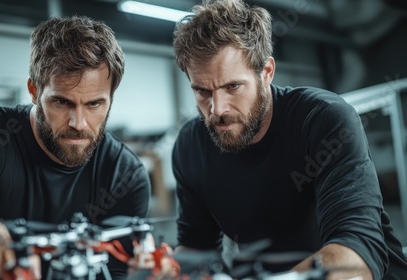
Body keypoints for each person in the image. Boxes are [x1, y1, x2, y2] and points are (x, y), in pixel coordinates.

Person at [146, 0, 407, 279]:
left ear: (266, 72)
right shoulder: (190, 146)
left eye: (233, 87)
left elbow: (357, 252)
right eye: (202, 91)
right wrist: (170, 268)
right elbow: (197, 248)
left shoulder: (323, 120)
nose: (217, 109)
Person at [0, 15, 151, 279]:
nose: (78, 123)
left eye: (94, 104)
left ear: (111, 98)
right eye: (62, 102)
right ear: (34, 90)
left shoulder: (126, 175)